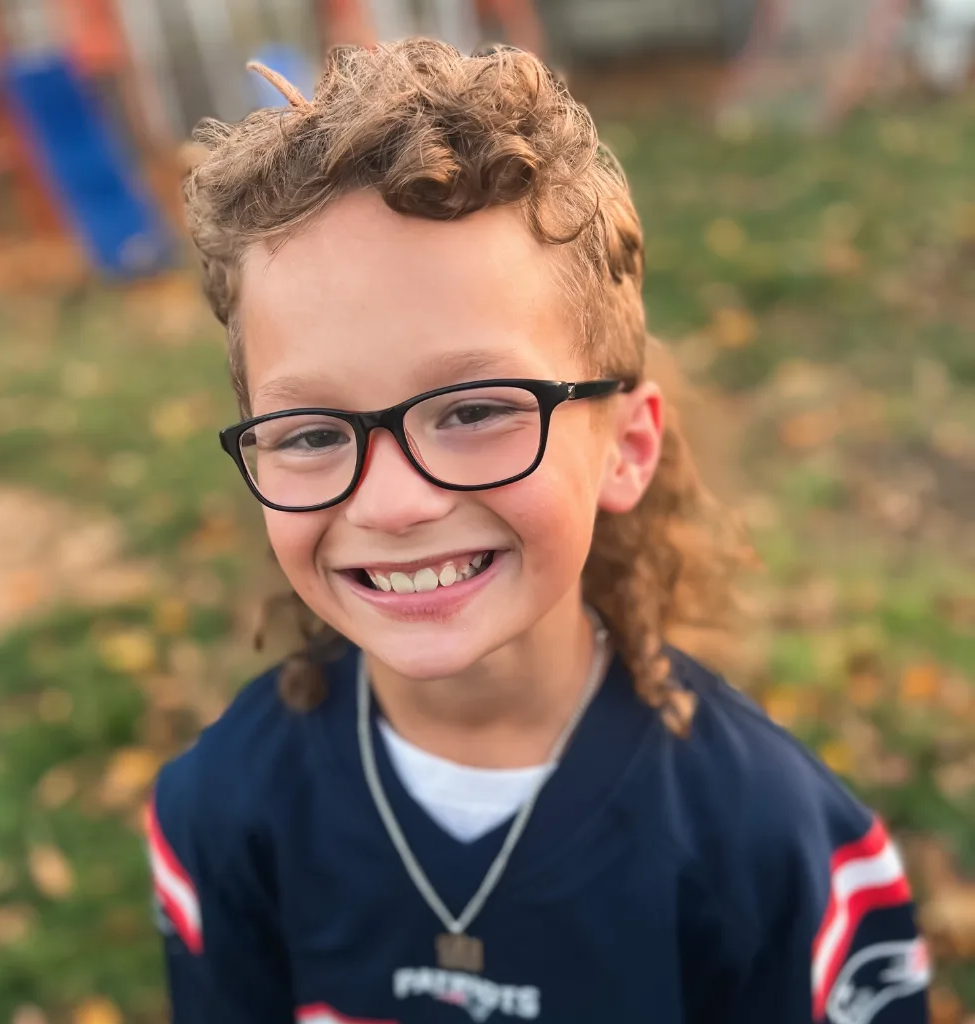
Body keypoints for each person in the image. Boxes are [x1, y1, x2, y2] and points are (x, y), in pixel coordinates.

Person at [147, 41, 930, 1024]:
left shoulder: (774, 849)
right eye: (310, 433)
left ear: (626, 447)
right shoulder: (220, 812)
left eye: (475, 410)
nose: (391, 504)